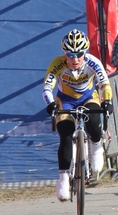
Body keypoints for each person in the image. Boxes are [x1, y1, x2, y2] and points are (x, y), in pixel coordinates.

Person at [42, 29, 113, 202]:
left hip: (88, 97)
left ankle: (96, 146)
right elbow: (46, 88)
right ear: (65, 53)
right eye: (70, 54)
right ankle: (64, 179)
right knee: (65, 135)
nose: (75, 59)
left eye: (79, 54)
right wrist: (51, 104)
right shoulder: (57, 64)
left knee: (94, 119)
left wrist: (107, 100)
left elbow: (104, 84)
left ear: (85, 52)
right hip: (65, 101)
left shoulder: (92, 62)